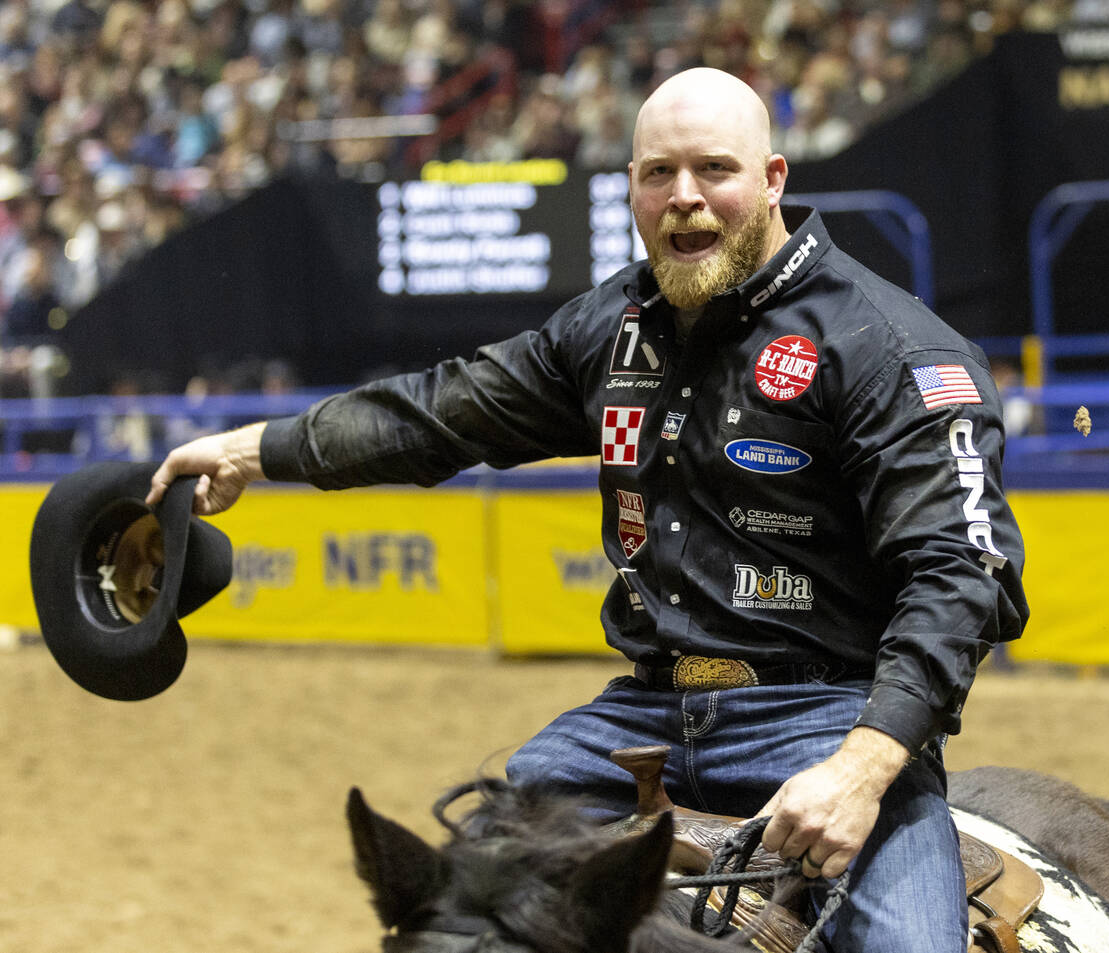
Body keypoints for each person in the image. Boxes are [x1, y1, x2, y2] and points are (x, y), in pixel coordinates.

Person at [148, 67, 1028, 953]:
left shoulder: (890, 344)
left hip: (830, 716)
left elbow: (962, 577)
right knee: (459, 907)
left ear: (773, 180)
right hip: (638, 719)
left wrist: (863, 767)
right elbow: (441, 412)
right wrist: (250, 449)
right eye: (657, 174)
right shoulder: (611, 325)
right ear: (633, 189)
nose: (684, 199)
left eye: (714, 170)